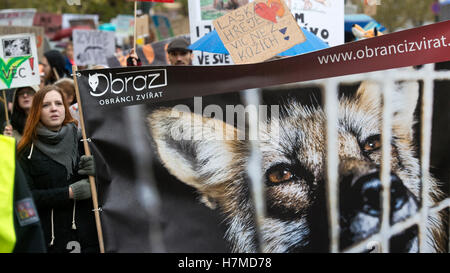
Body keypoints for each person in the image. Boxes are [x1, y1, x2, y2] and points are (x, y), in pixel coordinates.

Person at [17, 86, 99, 253]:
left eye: (58, 103)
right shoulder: (26, 151)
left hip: (89, 236)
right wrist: (69, 193)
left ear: (65, 108)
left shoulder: (85, 142)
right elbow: (25, 199)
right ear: (36, 111)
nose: (54, 108)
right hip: (52, 241)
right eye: (46, 105)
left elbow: (111, 186)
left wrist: (98, 172)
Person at [0, 134, 47, 253]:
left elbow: (27, 215)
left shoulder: (4, 151)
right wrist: (68, 193)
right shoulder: (24, 149)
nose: (54, 113)